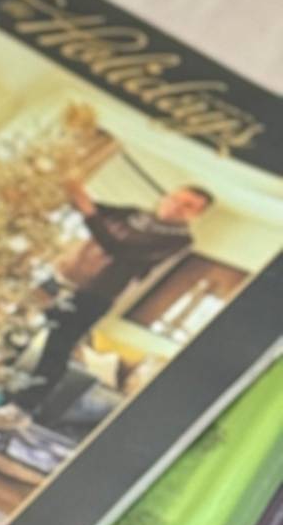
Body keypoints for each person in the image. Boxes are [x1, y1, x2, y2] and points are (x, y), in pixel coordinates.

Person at [20, 176, 212, 427]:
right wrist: (75, 191)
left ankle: (23, 408)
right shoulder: (132, 213)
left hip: (92, 297)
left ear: (196, 216)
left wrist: (88, 212)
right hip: (61, 277)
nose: (177, 206)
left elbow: (119, 248)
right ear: (166, 197)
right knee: (14, 324)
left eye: (189, 206)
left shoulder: (179, 241)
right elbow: (91, 206)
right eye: (176, 198)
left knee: (55, 350)